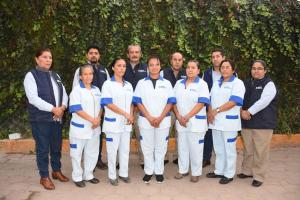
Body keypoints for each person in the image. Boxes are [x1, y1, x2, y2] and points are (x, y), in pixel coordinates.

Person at [24, 47, 69, 190]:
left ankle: (56, 171)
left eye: (50, 57)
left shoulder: (55, 75)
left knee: (56, 147)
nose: (48, 60)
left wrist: (62, 107)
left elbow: (65, 94)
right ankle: (44, 176)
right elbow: (33, 98)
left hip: (57, 117)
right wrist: (53, 109)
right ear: (37, 59)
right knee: (43, 148)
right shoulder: (31, 75)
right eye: (45, 57)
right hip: (40, 119)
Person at [133, 55, 176, 184]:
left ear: (160, 66)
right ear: (148, 67)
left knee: (161, 147)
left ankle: (159, 172)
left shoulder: (167, 83)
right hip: (146, 120)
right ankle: (148, 171)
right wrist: (150, 117)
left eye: (156, 64)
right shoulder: (141, 83)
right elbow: (138, 102)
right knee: (147, 147)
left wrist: (160, 117)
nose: (154, 67)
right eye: (151, 65)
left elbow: (171, 102)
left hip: (163, 121)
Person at [239, 60, 278, 187]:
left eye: (259, 68)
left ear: (265, 71)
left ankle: (259, 176)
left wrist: (249, 112)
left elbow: (264, 101)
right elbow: (239, 98)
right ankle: (247, 171)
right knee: (248, 149)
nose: (256, 70)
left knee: (260, 151)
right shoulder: (246, 83)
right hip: (247, 123)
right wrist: (241, 111)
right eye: (254, 68)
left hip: (263, 124)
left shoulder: (269, 84)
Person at [206, 59, 245, 184]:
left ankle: (229, 174)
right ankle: (219, 171)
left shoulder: (238, 83)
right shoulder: (217, 83)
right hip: (216, 122)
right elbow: (209, 99)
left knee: (229, 149)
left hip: (229, 123)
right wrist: (210, 112)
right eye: (223, 67)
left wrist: (216, 111)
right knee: (218, 148)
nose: (224, 69)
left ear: (233, 69)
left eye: (228, 67)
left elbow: (233, 101)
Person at [72, 45, 109, 170]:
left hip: (100, 112)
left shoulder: (104, 69)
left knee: (97, 137)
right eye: (91, 53)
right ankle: (85, 164)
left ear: (99, 55)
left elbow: (108, 89)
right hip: (84, 113)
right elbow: (75, 90)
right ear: (87, 55)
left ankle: (96, 160)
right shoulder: (80, 70)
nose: (94, 55)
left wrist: (102, 112)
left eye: (96, 53)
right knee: (83, 140)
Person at [173, 60, 210, 182]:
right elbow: (173, 101)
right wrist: (178, 116)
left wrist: (187, 117)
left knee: (196, 149)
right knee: (182, 147)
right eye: (188, 67)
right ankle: (182, 170)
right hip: (181, 121)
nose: (190, 70)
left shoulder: (202, 84)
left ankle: (196, 172)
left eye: (193, 67)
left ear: (198, 71)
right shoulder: (179, 83)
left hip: (196, 123)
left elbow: (201, 103)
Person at [101, 58, 134, 186]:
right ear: (113, 68)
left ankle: (123, 174)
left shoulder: (129, 85)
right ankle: (112, 175)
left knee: (125, 150)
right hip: (113, 123)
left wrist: (130, 115)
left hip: (126, 123)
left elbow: (131, 103)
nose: (121, 68)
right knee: (112, 150)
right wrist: (125, 114)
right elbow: (108, 103)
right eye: (119, 66)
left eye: (124, 66)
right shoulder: (108, 84)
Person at [69, 64, 102, 187]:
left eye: (91, 74)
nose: (88, 76)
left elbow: (101, 107)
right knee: (76, 154)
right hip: (80, 128)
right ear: (81, 76)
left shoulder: (96, 90)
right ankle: (77, 177)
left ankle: (88, 175)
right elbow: (76, 108)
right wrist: (92, 120)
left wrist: (98, 119)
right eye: (85, 74)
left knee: (92, 152)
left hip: (94, 128)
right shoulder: (76, 90)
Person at [123, 44, 148, 168]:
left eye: (137, 52)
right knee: (123, 137)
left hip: (140, 109)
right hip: (124, 110)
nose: (134, 54)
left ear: (140, 54)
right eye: (132, 52)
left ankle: (143, 161)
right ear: (128, 54)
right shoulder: (122, 66)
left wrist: (138, 107)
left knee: (141, 137)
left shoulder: (146, 68)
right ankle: (121, 162)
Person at [160, 52, 187, 165]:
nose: (177, 62)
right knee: (164, 134)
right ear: (171, 60)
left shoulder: (187, 72)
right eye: (175, 59)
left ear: (182, 61)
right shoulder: (163, 72)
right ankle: (163, 157)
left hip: (181, 109)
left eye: (179, 60)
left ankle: (177, 156)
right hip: (167, 109)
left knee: (180, 134)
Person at [202, 49, 225, 168]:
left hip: (225, 109)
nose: (215, 59)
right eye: (213, 57)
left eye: (217, 56)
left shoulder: (229, 72)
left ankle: (223, 164)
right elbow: (204, 92)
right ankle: (206, 158)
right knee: (209, 135)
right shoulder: (206, 73)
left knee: (223, 137)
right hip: (210, 109)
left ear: (223, 57)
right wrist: (208, 110)